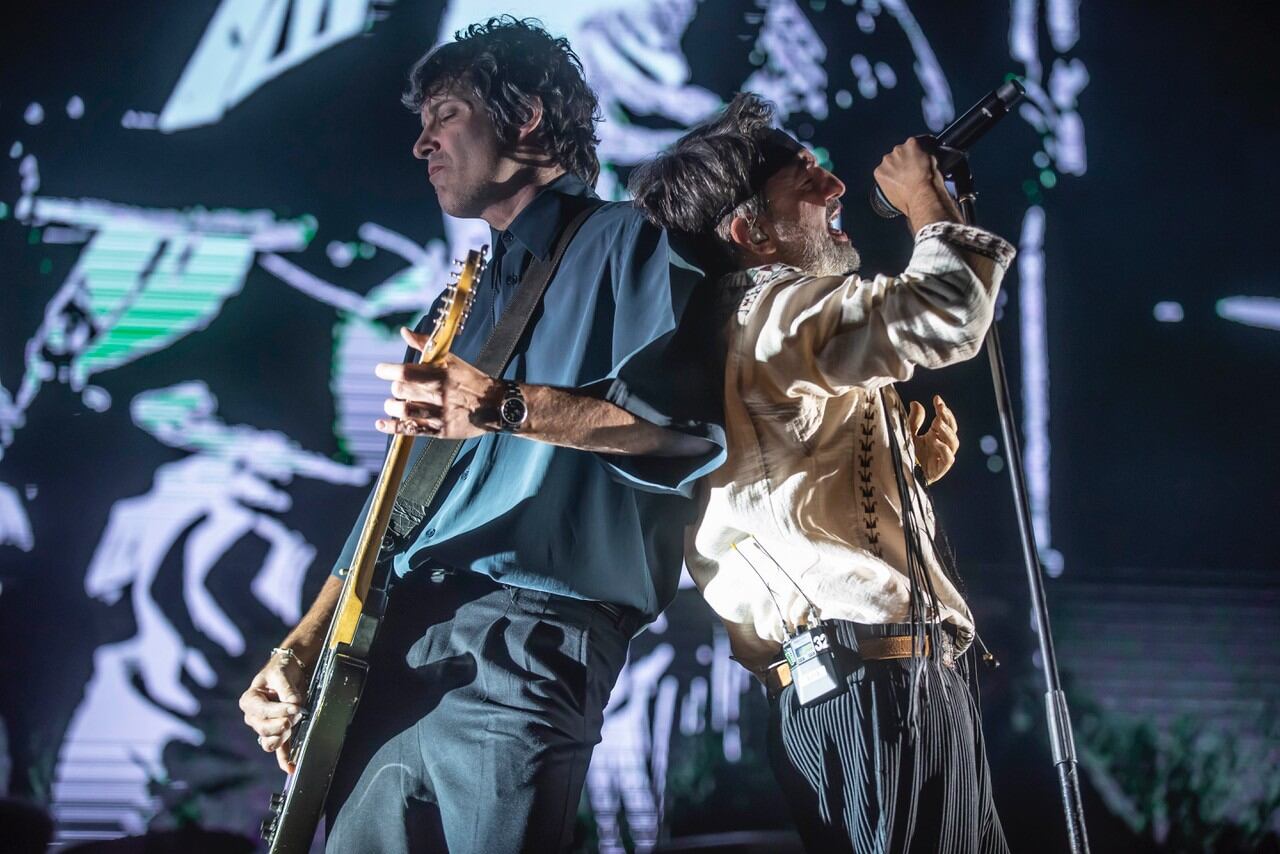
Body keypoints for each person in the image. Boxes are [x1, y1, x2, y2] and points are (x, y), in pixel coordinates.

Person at [238, 18, 725, 853]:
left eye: (446, 113)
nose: (423, 142)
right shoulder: (460, 302)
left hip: (532, 635)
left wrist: (502, 406)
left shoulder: (631, 240)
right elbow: (393, 502)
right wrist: (302, 643)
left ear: (527, 115)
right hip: (399, 646)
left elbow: (683, 436)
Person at [630, 93, 1013, 853]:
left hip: (878, 678)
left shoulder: (750, 325)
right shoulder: (775, 308)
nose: (836, 187)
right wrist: (927, 202)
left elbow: (783, 489)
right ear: (750, 232)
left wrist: (908, 472)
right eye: (806, 179)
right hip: (872, 680)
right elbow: (949, 307)